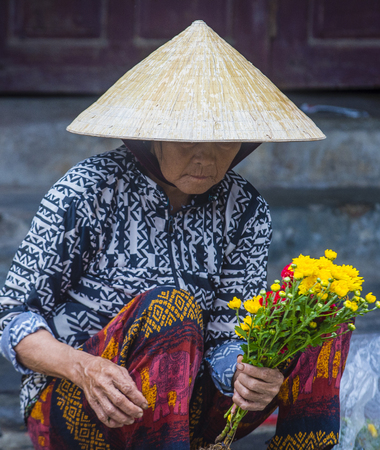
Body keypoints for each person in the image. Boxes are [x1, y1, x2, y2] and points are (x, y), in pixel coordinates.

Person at [0, 21, 349, 450]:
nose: (206, 158)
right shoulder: (88, 190)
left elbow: (226, 334)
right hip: (83, 406)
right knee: (171, 307)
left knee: (323, 303)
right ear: (153, 137)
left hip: (187, 410)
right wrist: (84, 368)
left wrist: (241, 371)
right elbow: (13, 318)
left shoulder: (246, 210)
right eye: (188, 141)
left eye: (222, 142)